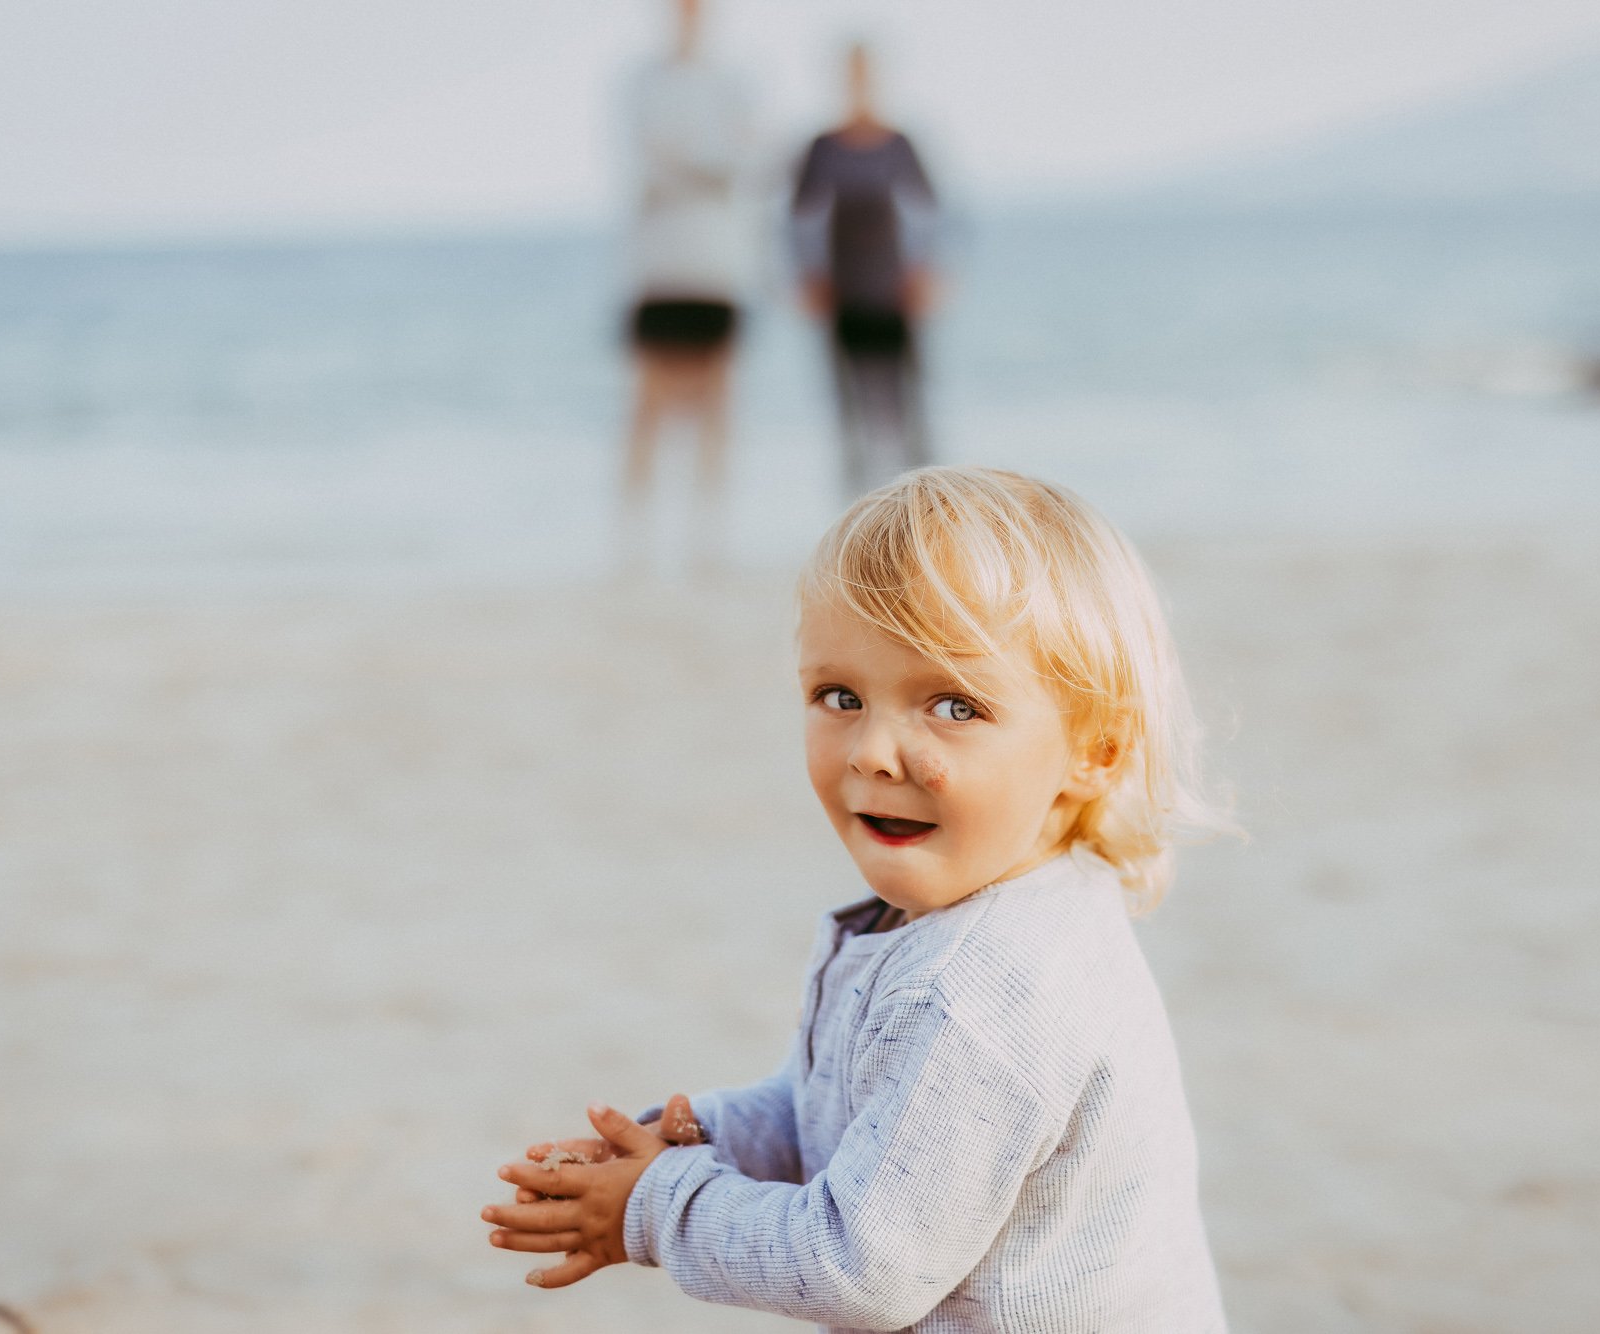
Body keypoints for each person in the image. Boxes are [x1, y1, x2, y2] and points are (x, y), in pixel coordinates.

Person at [482, 467, 1230, 1331]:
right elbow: (857, 1112)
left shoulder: (976, 994)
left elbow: (859, 1265)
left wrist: (654, 1206)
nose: (874, 750)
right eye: (841, 696)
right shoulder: (1020, 903)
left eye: (953, 705)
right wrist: (701, 1141)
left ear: (1095, 748)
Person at [617, 0, 756, 568]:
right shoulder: (644, 82)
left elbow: (742, 162)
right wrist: (704, 160)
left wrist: (691, 159)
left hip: (717, 264)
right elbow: (650, 161)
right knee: (646, 407)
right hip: (658, 265)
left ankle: (709, 536)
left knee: (717, 405)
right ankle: (633, 539)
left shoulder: (731, 81)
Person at [791, 42, 940, 500]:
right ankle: (857, 512)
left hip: (895, 293)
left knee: (908, 408)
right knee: (850, 411)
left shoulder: (899, 144)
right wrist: (807, 277)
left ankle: (922, 509)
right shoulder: (822, 147)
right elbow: (797, 221)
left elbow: (933, 214)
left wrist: (927, 273)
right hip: (844, 293)